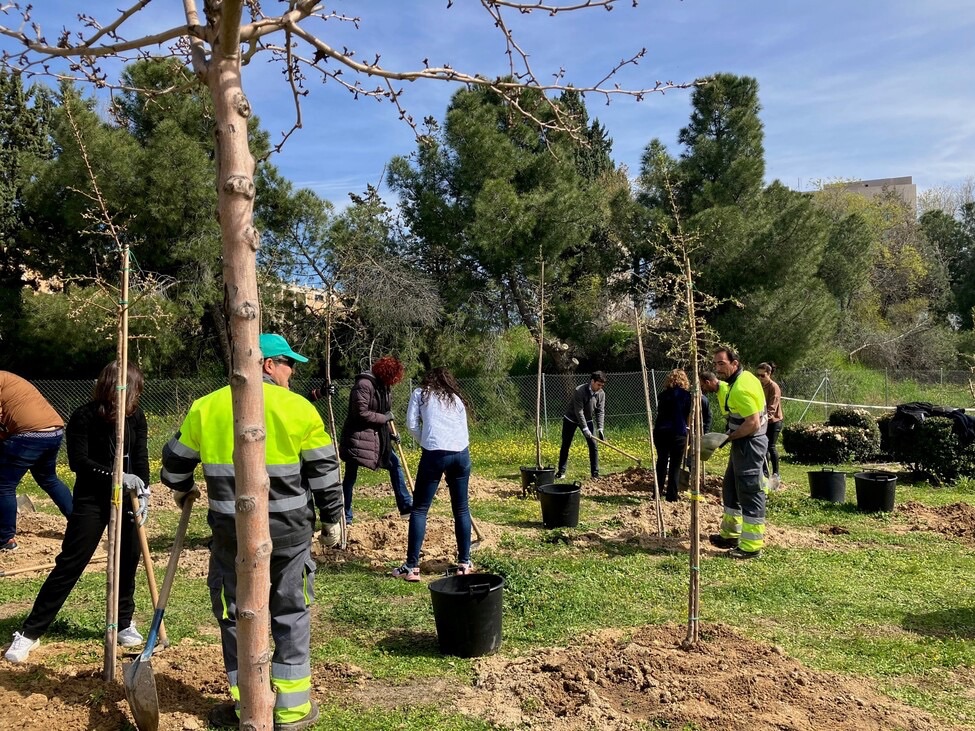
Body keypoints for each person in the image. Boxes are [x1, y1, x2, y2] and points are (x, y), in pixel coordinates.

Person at [161, 333, 342, 730]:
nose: (291, 373)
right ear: (266, 364)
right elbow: (326, 474)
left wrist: (181, 490)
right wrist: (332, 520)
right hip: (291, 536)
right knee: (291, 613)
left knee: (235, 616)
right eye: (287, 364)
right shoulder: (299, 410)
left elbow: (173, 468)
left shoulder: (206, 408)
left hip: (231, 537)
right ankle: (292, 711)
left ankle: (248, 707)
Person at [4, 362, 150, 663]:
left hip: (128, 500)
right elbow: (79, 463)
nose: (127, 397)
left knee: (129, 559)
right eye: (123, 390)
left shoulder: (136, 417)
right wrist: (115, 476)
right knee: (71, 562)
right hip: (91, 500)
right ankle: (30, 633)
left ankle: (123, 623)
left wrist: (143, 490)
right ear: (110, 388)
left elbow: (140, 458)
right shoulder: (83, 416)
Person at [393, 367, 472, 581]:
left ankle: (411, 567)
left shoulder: (421, 393)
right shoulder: (456, 398)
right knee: (461, 509)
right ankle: (464, 563)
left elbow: (411, 424)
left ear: (428, 379)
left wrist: (426, 442)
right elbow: (463, 428)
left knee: (419, 510)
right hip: (461, 453)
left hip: (435, 454)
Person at [0, 371, 74, 550]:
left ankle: (5, 539)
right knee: (49, 479)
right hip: (54, 431)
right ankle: (79, 522)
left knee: (4, 485)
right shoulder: (7, 378)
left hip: (29, 434)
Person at [708, 347, 768, 560]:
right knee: (731, 487)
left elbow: (751, 423)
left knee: (750, 491)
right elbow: (724, 387)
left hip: (749, 443)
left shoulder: (740, 388)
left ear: (735, 363)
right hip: (742, 442)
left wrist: (727, 438)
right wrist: (714, 386)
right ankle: (731, 534)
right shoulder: (743, 378)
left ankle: (751, 546)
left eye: (721, 363)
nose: (717, 368)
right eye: (715, 364)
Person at [338, 356, 412, 524]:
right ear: (385, 373)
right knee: (350, 477)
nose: (394, 382)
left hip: (378, 438)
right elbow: (361, 413)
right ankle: (345, 516)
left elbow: (386, 413)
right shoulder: (364, 384)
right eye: (393, 377)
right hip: (357, 438)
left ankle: (406, 506)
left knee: (395, 464)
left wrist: (392, 434)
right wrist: (384, 418)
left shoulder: (384, 386)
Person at [555, 371, 607, 479]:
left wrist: (600, 428)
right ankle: (561, 472)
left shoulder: (601, 393)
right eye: (598, 384)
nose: (600, 387)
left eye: (602, 385)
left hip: (587, 419)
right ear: (592, 381)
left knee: (593, 445)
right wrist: (585, 428)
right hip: (571, 419)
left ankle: (595, 474)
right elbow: (579, 411)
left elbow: (600, 411)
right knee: (566, 444)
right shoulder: (580, 391)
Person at [653, 370, 693, 502]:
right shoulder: (687, 396)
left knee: (662, 461)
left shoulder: (663, 395)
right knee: (675, 465)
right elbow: (688, 415)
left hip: (661, 431)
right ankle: (672, 495)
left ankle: (657, 493)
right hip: (678, 432)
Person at [756, 362, 784, 488]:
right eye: (758, 375)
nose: (760, 378)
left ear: (769, 374)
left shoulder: (774, 387)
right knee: (764, 448)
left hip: (774, 422)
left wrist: (764, 419)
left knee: (771, 447)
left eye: (763, 376)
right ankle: (765, 473)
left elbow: (772, 408)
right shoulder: (760, 386)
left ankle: (776, 473)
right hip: (763, 420)